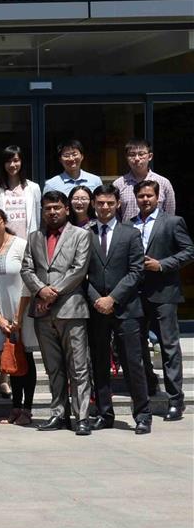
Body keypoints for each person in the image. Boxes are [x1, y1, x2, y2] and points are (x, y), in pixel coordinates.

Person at [23, 191, 94, 435]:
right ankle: (58, 414)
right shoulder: (34, 237)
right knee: (53, 367)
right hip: (42, 312)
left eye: (56, 207)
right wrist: (41, 290)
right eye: (47, 208)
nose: (52, 212)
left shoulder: (82, 235)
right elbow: (27, 269)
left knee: (78, 365)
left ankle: (82, 416)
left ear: (66, 209)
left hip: (71, 309)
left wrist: (52, 293)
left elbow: (78, 269)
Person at [86, 185, 150, 433]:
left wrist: (112, 298)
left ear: (118, 204)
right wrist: (97, 300)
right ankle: (104, 413)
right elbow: (81, 275)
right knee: (99, 363)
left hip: (127, 310)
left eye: (109, 203)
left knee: (133, 364)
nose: (104, 207)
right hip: (96, 310)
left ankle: (143, 415)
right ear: (93, 203)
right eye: (100, 203)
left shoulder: (131, 234)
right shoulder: (85, 234)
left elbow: (136, 271)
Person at [131, 179, 193, 421]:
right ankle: (148, 384)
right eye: (141, 196)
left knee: (168, 347)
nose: (145, 200)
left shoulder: (173, 222)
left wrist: (162, 265)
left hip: (164, 293)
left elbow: (189, 251)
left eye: (149, 196)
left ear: (158, 198)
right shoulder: (130, 224)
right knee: (136, 346)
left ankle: (176, 400)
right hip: (136, 294)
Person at [0, 206, 35, 426]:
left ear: (4, 221)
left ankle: (27, 410)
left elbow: (28, 282)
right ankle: (15, 407)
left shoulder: (20, 245)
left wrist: (18, 317)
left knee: (26, 359)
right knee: (12, 361)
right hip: (2, 317)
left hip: (23, 313)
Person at [114, 139, 176, 222]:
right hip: (127, 233)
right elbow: (115, 216)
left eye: (141, 154)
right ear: (127, 158)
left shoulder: (163, 183)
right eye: (132, 155)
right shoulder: (118, 184)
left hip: (156, 234)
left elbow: (170, 214)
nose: (136, 158)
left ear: (150, 156)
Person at [0, 145, 42, 237]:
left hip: (28, 241)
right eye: (8, 161)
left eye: (15, 160)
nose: (12, 165)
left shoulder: (33, 188)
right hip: (5, 241)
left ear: (21, 162)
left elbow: (38, 218)